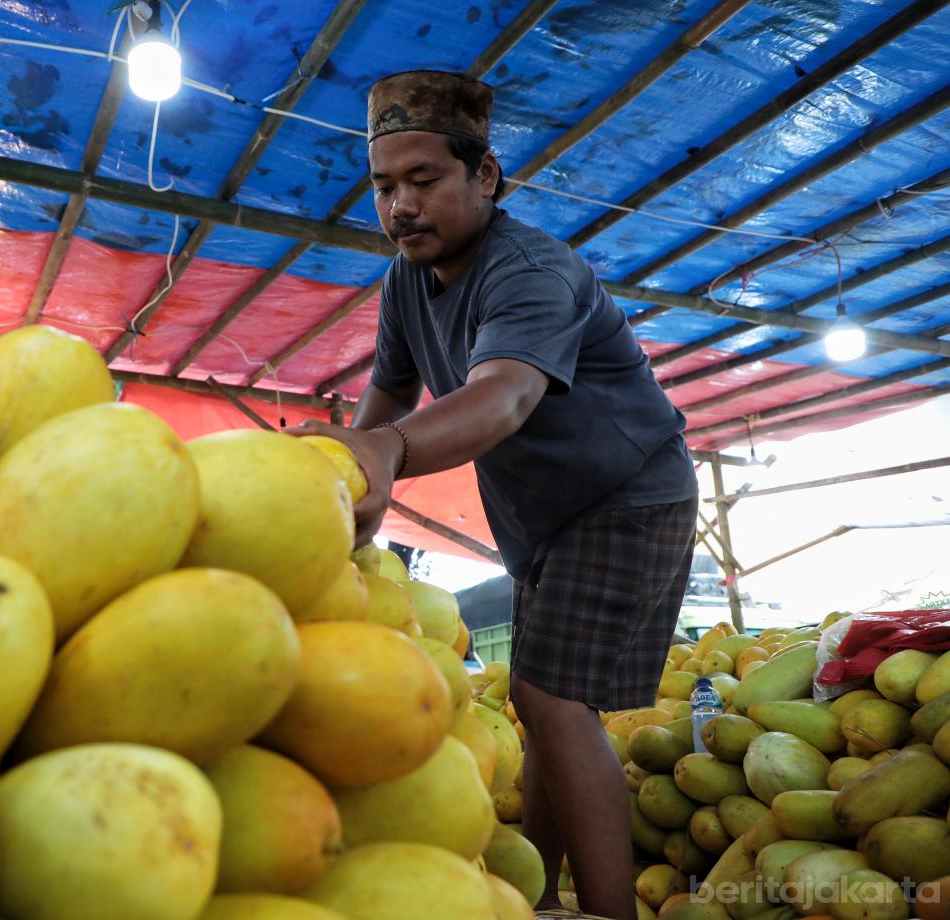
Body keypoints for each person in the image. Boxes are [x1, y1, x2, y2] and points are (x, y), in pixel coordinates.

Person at [293, 70, 699, 920]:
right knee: (538, 700)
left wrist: (385, 451)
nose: (401, 206)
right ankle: (541, 895)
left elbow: (504, 396)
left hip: (629, 496)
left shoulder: (532, 270)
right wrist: (349, 475)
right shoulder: (407, 280)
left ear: (484, 175)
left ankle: (610, 910)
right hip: (547, 518)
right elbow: (390, 391)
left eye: (424, 180)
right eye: (384, 187)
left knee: (555, 700)